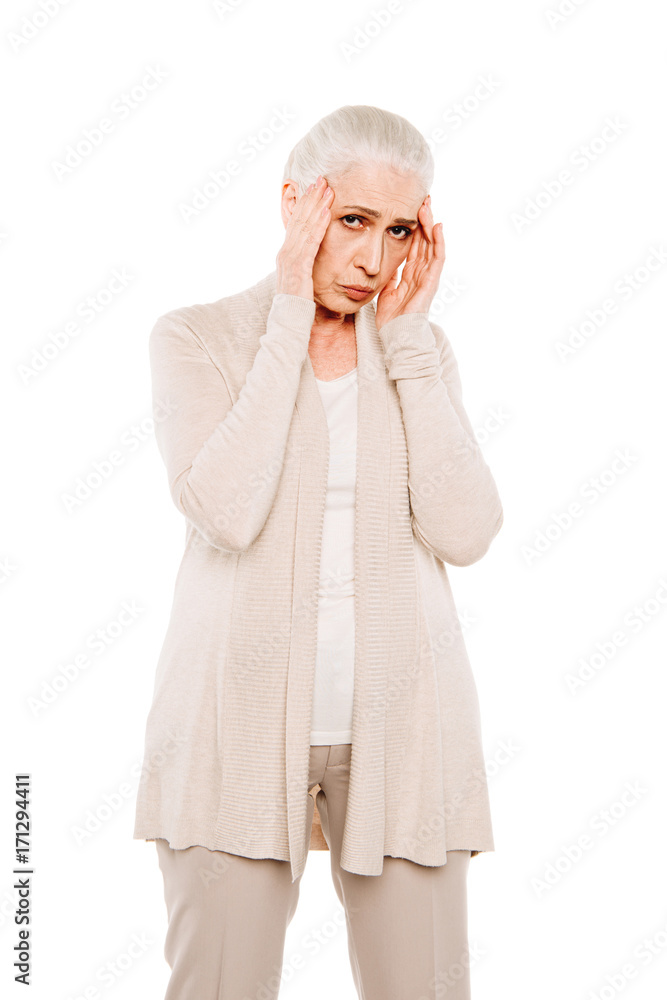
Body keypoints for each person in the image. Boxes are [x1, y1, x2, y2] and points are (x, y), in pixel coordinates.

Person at [133, 104, 504, 1000]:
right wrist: (289, 317)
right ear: (295, 205)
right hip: (231, 726)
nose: (373, 259)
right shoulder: (196, 339)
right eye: (352, 220)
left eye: (399, 230)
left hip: (404, 731)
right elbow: (224, 510)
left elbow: (466, 530)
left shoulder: (419, 351)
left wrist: (407, 345)